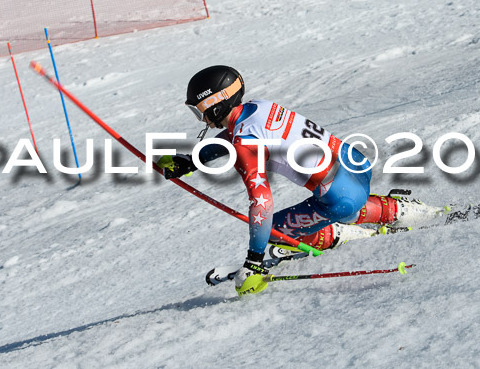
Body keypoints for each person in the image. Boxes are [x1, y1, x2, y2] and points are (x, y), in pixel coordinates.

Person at [159, 65, 441, 296]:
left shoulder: (245, 142)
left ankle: (345, 234)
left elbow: (261, 202)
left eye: (199, 111)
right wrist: (192, 160)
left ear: (216, 104)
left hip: (340, 197)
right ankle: (397, 209)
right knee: (341, 200)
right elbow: (233, 138)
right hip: (356, 165)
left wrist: (255, 261)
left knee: (273, 231)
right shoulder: (259, 107)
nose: (201, 119)